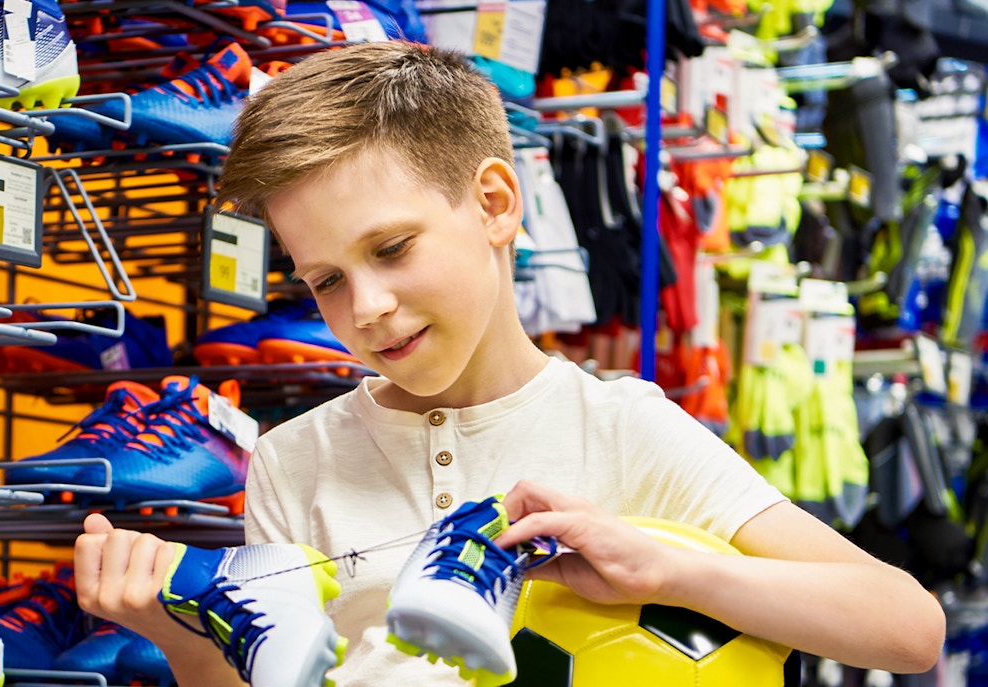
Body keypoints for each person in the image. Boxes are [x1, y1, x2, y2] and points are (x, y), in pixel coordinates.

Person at [73, 40, 946, 687]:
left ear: (494, 203)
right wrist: (179, 628)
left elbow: (908, 627)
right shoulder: (293, 457)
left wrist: (669, 567)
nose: (365, 306)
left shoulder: (623, 428)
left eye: (392, 248)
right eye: (326, 280)